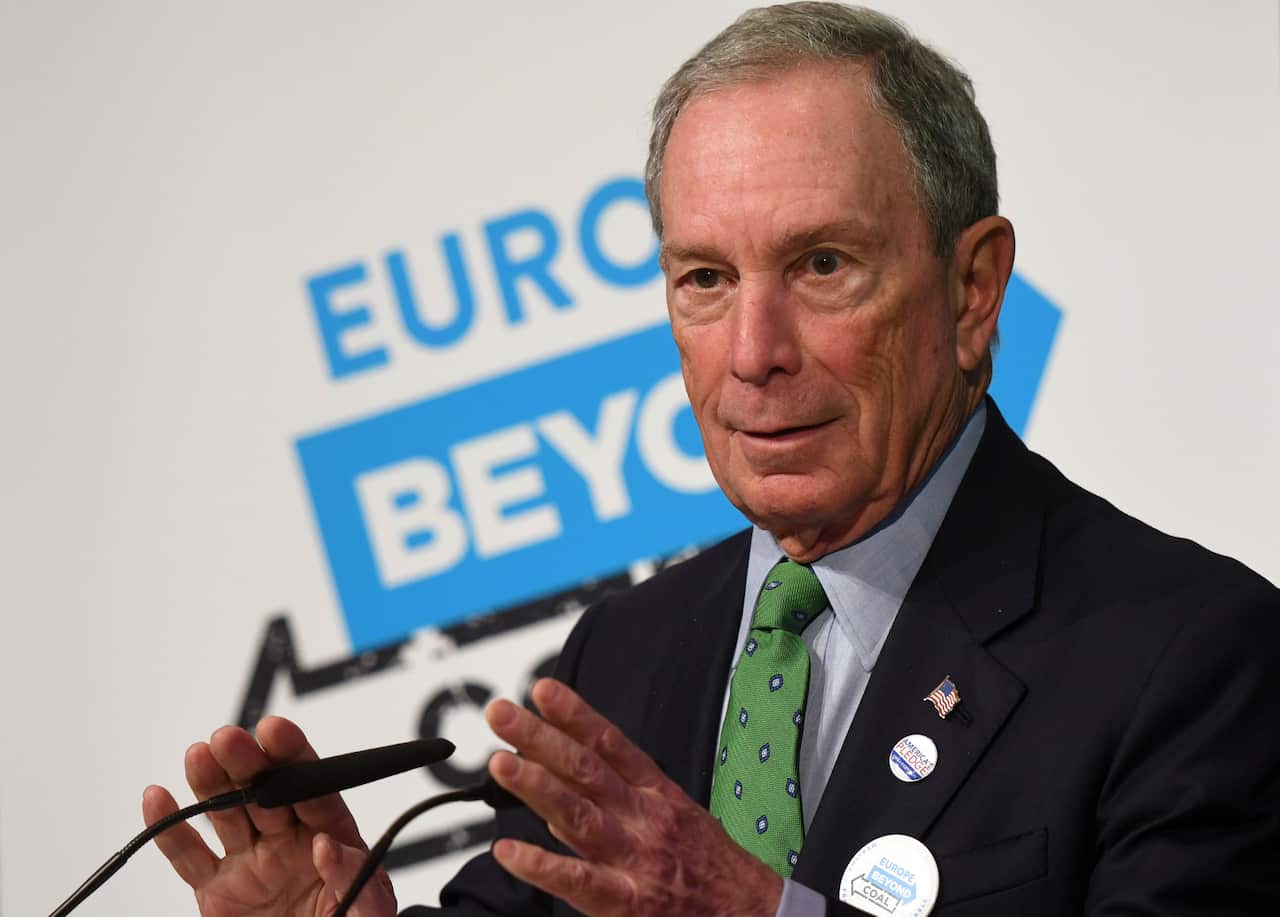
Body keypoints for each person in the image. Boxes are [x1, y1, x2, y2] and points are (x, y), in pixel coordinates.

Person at [144, 4, 1280, 915]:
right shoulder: (625, 654)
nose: (752, 354)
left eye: (822, 263)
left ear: (971, 287)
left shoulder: (1190, 657)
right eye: (704, 278)